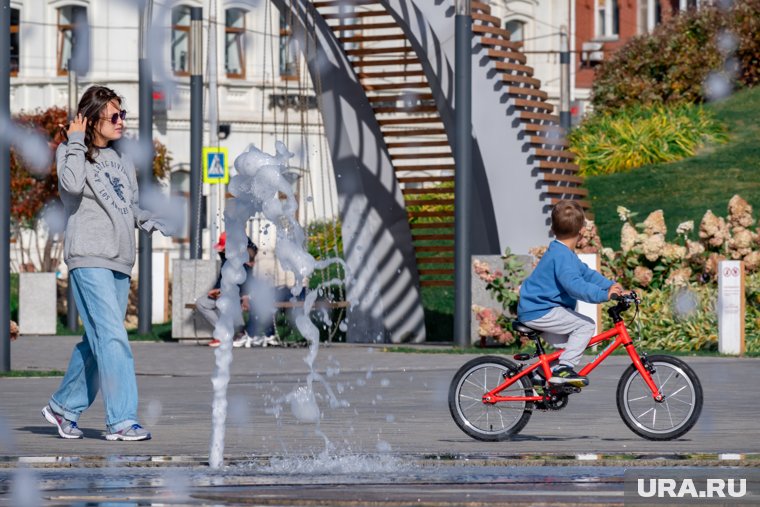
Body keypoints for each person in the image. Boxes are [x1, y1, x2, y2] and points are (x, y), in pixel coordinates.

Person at [42, 85, 170, 441]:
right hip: (88, 256)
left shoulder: (122, 160)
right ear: (92, 119)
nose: (121, 122)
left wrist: (148, 219)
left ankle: (62, 408)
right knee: (113, 338)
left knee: (97, 342)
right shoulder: (71, 152)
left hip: (119, 259)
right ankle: (121, 420)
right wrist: (77, 140)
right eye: (114, 116)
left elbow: (126, 205)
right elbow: (70, 187)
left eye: (123, 115)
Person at [517, 200, 623, 388]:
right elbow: (575, 286)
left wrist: (613, 286)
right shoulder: (563, 256)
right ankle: (563, 370)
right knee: (585, 326)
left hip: (539, 309)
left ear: (553, 228)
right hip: (540, 310)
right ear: (582, 230)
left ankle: (539, 376)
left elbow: (586, 274)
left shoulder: (563, 252)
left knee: (572, 346)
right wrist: (604, 295)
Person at [197, 232, 268, 348]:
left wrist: (244, 296)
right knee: (201, 303)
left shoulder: (243, 260)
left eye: (224, 249)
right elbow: (221, 278)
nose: (222, 251)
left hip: (236, 294)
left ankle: (236, 333)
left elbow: (246, 281)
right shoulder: (226, 258)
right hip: (222, 292)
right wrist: (215, 290)